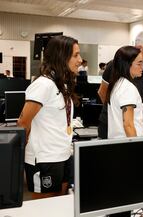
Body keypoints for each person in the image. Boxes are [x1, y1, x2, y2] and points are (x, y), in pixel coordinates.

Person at [17, 35, 82, 199]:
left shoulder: (61, 84)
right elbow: (23, 122)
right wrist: (24, 156)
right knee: (44, 210)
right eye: (75, 55)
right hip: (44, 158)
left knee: (60, 203)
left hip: (63, 154)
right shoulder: (43, 84)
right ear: (61, 56)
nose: (80, 60)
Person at [97, 29, 143, 139]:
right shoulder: (117, 70)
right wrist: (116, 113)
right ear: (140, 48)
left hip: (123, 130)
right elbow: (103, 93)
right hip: (118, 128)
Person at [106, 46, 143, 138]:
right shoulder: (128, 88)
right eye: (139, 63)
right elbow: (128, 125)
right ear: (127, 64)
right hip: (127, 145)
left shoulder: (117, 84)